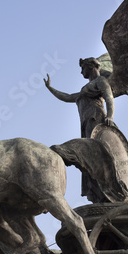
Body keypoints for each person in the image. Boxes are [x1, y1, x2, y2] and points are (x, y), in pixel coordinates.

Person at [44, 57, 114, 203]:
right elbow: (68, 97)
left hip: (97, 120)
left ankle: (108, 186)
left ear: (90, 66)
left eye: (83, 68)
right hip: (87, 124)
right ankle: (99, 190)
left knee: (98, 154)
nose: (81, 71)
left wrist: (110, 116)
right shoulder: (87, 88)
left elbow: (109, 98)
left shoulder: (100, 81)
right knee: (90, 156)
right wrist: (51, 88)